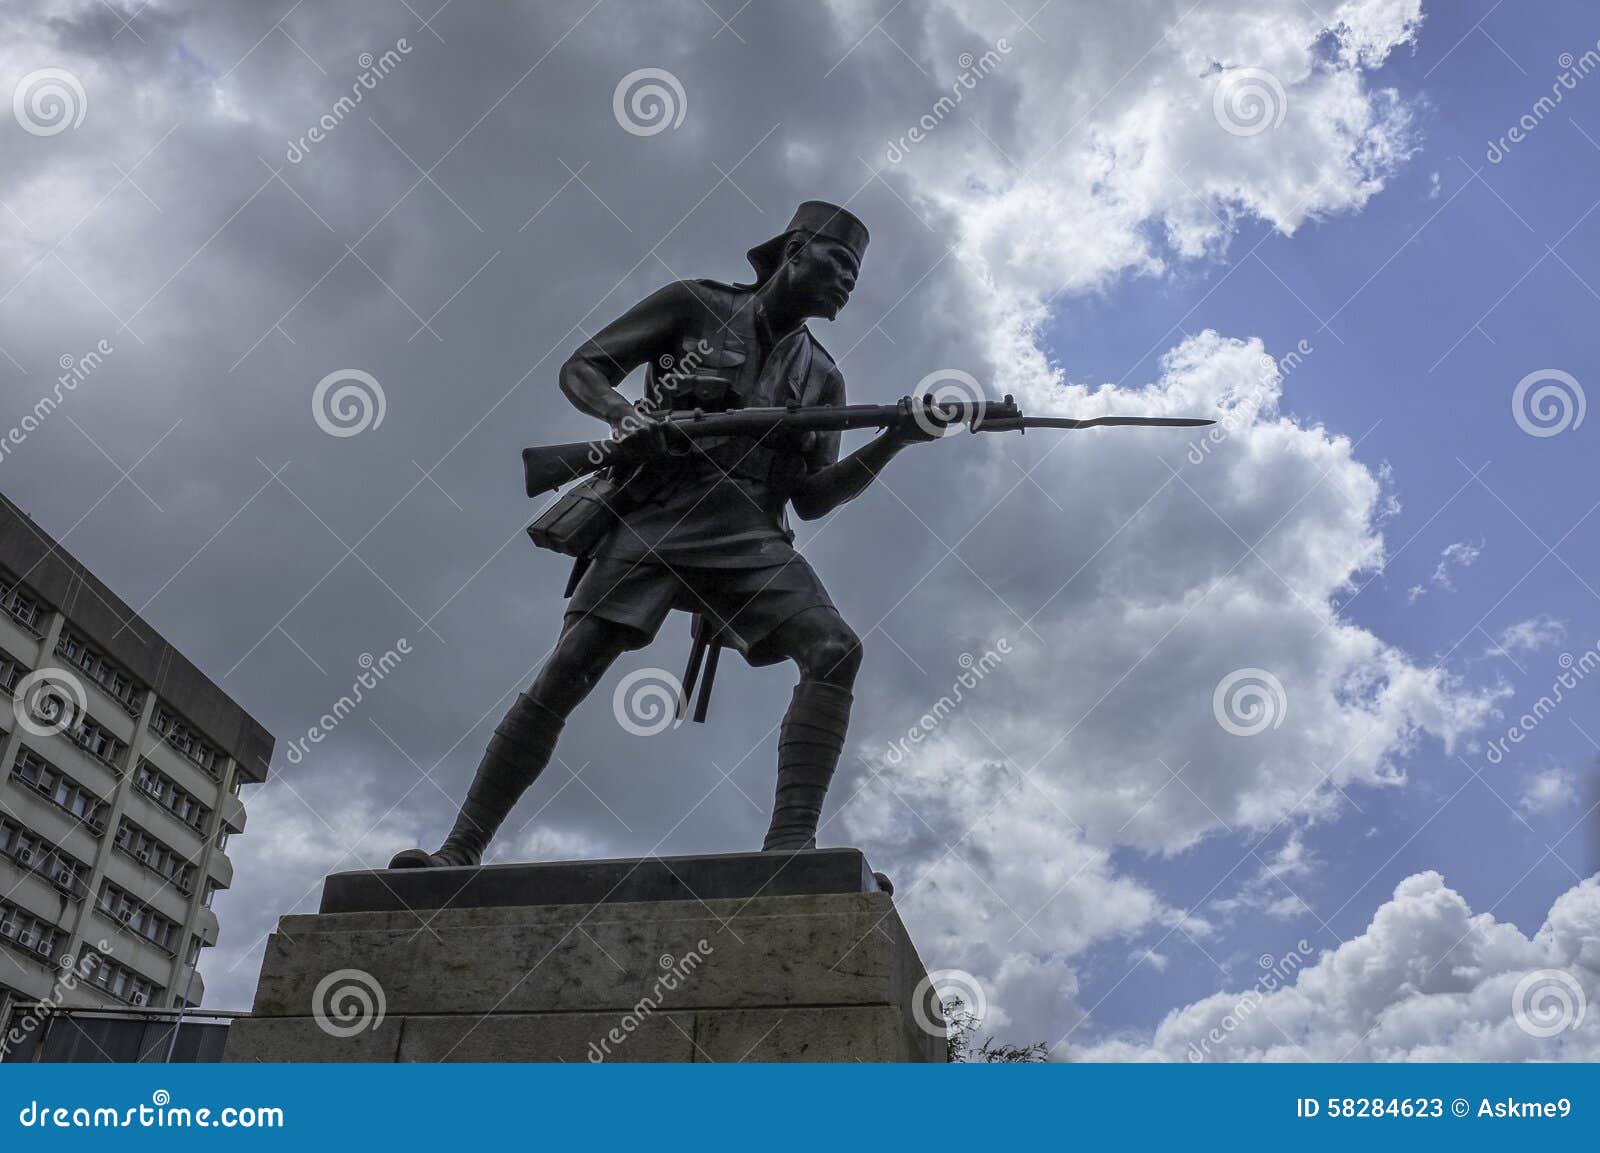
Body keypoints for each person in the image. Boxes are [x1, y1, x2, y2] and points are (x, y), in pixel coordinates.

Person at [389, 201, 939, 871]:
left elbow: (814, 496)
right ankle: (460, 850)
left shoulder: (822, 376)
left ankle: (790, 845)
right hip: (659, 512)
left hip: (749, 533)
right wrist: (625, 417)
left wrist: (896, 441)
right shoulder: (695, 304)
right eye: (840, 261)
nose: (850, 280)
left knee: (835, 649)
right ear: (795, 249)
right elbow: (585, 366)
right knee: (568, 669)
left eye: (858, 272)